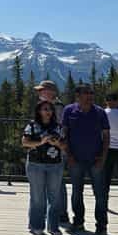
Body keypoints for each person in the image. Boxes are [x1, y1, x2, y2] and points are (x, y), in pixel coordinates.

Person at [62, 84, 110, 235]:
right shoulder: (69, 111)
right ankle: (78, 222)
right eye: (86, 93)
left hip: (95, 160)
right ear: (77, 96)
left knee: (100, 195)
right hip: (75, 160)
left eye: (91, 93)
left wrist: (102, 158)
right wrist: (69, 155)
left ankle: (101, 228)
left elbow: (106, 136)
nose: (90, 96)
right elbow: (65, 134)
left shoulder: (100, 112)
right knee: (77, 192)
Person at [22, 100, 67, 235]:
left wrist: (57, 143)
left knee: (55, 198)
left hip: (55, 165)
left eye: (50, 109)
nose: (48, 112)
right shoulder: (32, 126)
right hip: (36, 165)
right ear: (39, 111)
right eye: (45, 109)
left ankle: (53, 227)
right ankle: (37, 225)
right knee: (38, 197)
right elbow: (24, 142)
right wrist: (40, 142)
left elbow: (65, 146)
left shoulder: (58, 127)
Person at [34, 80, 70, 225]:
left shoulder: (58, 108)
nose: (39, 93)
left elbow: (59, 128)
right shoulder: (49, 106)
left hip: (56, 149)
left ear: (50, 92)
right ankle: (54, 212)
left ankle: (62, 213)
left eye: (41, 90)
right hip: (46, 149)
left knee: (58, 182)